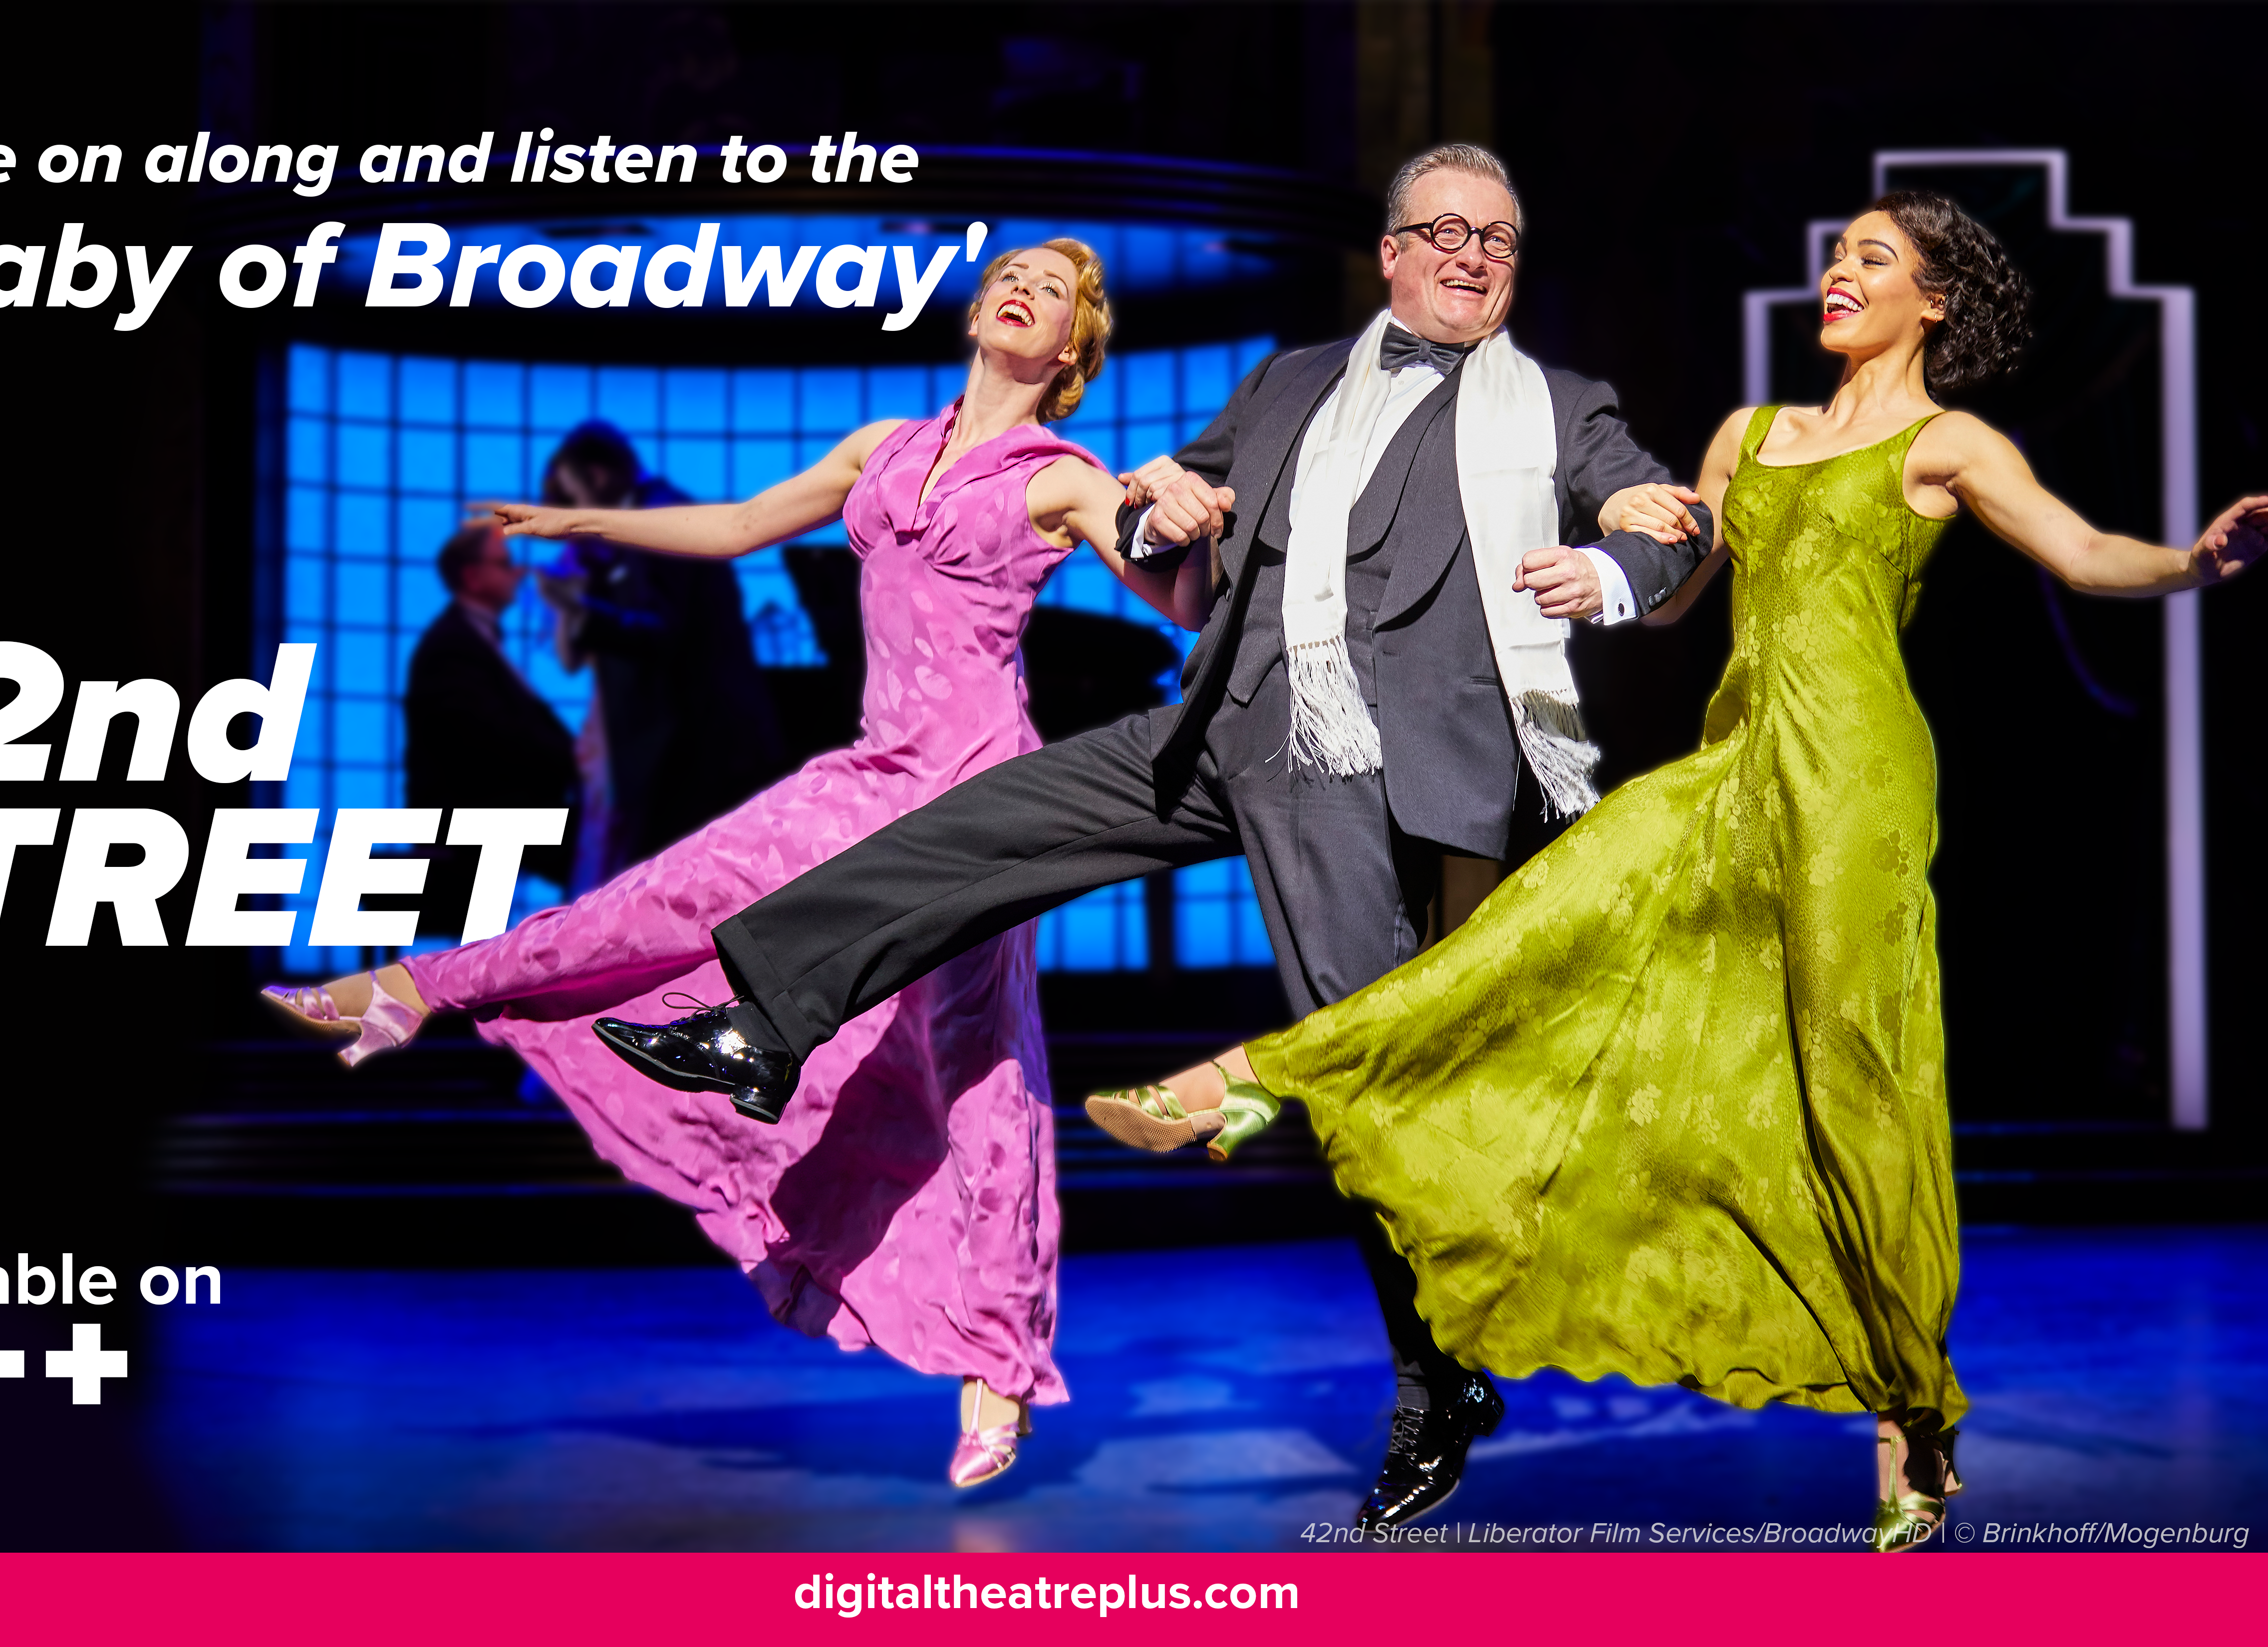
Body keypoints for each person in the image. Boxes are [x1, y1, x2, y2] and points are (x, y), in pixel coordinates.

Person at [1092, 190, 2266, 1550]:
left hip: (1858, 787)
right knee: (1537, 929)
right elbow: (1672, 582)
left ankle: (1910, 1416)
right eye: (1833, 254)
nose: (1837, 275)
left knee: (1854, 1090)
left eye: (1870, 262)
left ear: (1931, 300)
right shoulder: (1748, 435)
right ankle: (1250, 1082)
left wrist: (2190, 560)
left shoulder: (1949, 442)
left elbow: (2080, 551)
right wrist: (1605, 559)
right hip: (1735, 759)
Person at [593, 143, 1717, 1529]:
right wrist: (1160, 502)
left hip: (1358, 773)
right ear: (1390, 251)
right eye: (1445, 231)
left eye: (1498, 238)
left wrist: (1615, 552)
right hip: (1221, 724)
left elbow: (1654, 514)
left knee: (1367, 1086)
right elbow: (1164, 512)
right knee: (973, 824)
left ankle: (1439, 1372)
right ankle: (761, 1022)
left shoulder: (1555, 404)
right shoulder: (1287, 379)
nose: (1474, 256)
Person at [263, 241, 1212, 1486]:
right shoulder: (883, 446)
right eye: (1008, 273)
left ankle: (999, 1367)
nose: (1019, 286)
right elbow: (743, 524)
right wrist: (583, 519)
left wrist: (1182, 529)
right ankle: (414, 988)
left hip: (980, 808)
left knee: (977, 1069)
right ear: (981, 311)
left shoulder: (1067, 476)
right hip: (868, 776)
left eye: (1053, 288)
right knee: (659, 898)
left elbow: (1179, 605)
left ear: (1071, 350)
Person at [535, 421, 788, 883]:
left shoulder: (655, 519)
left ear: (596, 475)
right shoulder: (651, 516)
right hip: (686, 743)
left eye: (574, 493)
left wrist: (579, 608)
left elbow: (662, 629)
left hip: (696, 745)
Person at [402, 525, 578, 934]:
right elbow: (489, 739)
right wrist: (575, 763)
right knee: (601, 849)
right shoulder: (453, 646)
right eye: (505, 564)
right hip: (470, 813)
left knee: (598, 838)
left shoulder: (471, 641)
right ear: (473, 577)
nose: (518, 573)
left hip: (493, 802)